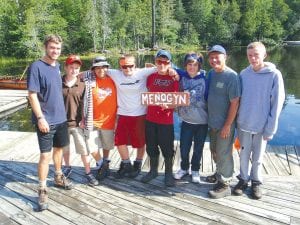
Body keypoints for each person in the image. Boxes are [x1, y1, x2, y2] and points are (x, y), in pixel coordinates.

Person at [233, 42, 285, 199]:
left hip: (261, 126)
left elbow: (277, 104)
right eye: (250, 55)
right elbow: (238, 99)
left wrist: (271, 128)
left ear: (264, 55)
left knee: (258, 157)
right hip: (243, 124)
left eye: (256, 55)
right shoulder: (243, 74)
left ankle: (256, 182)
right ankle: (243, 179)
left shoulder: (274, 75)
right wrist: (235, 122)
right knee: (243, 155)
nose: (253, 58)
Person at [27, 34, 73, 211]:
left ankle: (59, 176)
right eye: (52, 47)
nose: (55, 51)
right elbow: (32, 95)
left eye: (58, 48)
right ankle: (42, 188)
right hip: (45, 120)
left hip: (61, 118)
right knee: (45, 155)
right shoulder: (36, 67)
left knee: (59, 149)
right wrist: (40, 118)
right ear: (46, 47)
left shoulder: (57, 66)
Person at [106, 54, 156, 179]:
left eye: (131, 66)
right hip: (122, 114)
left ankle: (138, 164)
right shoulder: (115, 73)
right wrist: (78, 74)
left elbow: (162, 67)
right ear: (120, 66)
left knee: (140, 142)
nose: (128, 69)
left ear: (135, 64)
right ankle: (126, 164)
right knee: (119, 141)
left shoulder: (142, 73)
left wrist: (172, 71)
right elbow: (98, 69)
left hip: (140, 114)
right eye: (124, 66)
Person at [206, 45, 241, 198]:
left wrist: (227, 125)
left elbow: (235, 103)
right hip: (212, 123)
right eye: (211, 57)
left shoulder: (232, 76)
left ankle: (225, 184)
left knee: (224, 153)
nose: (214, 60)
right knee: (214, 151)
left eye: (217, 57)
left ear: (225, 57)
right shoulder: (211, 74)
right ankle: (219, 173)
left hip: (225, 125)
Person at [141, 50, 179, 187]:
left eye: (165, 62)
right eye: (159, 61)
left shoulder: (174, 78)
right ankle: (153, 171)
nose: (162, 64)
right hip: (150, 119)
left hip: (166, 121)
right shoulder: (150, 77)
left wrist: (169, 105)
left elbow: (177, 101)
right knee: (151, 146)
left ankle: (168, 173)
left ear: (170, 63)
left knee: (167, 148)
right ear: (155, 62)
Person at [62, 55, 99, 187]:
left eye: (77, 68)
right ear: (66, 67)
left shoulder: (83, 84)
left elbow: (86, 104)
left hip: (78, 124)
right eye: (71, 67)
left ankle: (88, 172)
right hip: (62, 124)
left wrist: (84, 119)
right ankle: (67, 167)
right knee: (64, 149)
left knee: (84, 150)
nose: (74, 70)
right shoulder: (58, 82)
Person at [81, 56, 117, 181]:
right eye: (97, 68)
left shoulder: (114, 79)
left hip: (109, 120)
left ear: (107, 68)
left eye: (103, 67)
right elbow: (75, 74)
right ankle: (102, 164)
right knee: (91, 146)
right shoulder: (89, 79)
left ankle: (104, 162)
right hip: (92, 120)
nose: (101, 70)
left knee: (107, 145)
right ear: (93, 70)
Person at [174, 53, 208, 183]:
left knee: (198, 148)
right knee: (184, 147)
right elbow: (171, 68)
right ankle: (184, 168)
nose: (192, 67)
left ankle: (195, 170)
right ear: (185, 65)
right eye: (189, 64)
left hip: (202, 122)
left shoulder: (206, 79)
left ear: (199, 66)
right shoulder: (182, 76)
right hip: (186, 121)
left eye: (195, 65)